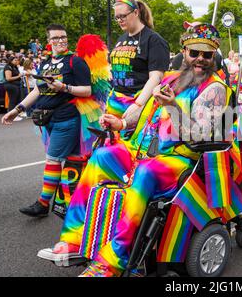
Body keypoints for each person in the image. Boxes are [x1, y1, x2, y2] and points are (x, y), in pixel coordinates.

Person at [37, 23, 231, 277]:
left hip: (176, 158)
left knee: (146, 173)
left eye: (207, 55)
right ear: (184, 51)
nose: (200, 60)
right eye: (194, 53)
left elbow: (200, 135)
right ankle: (74, 239)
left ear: (214, 56)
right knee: (100, 157)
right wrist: (122, 123)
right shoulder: (171, 78)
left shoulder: (215, 88)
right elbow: (144, 109)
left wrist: (173, 106)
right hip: (139, 149)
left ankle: (114, 261)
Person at [1, 24, 92, 217]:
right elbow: (37, 90)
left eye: (63, 37)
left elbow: (87, 90)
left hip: (66, 119)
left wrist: (64, 87)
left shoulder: (75, 61)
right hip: (47, 120)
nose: (60, 41)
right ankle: (72, 201)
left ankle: (43, 204)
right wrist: (17, 110)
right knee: (69, 159)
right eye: (56, 38)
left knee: (52, 160)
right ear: (48, 42)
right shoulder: (45, 63)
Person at [107, 0, 169, 148]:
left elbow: (156, 77)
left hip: (140, 105)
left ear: (135, 13)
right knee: (112, 149)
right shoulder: (121, 38)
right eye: (117, 17)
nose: (120, 20)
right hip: (117, 102)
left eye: (123, 16)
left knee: (133, 151)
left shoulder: (154, 40)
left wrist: (138, 103)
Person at [3, 56, 25, 120]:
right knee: (13, 100)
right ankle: (11, 116)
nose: (16, 61)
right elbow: (8, 78)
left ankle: (15, 115)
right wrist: (19, 76)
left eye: (17, 60)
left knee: (16, 100)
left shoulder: (14, 67)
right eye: (15, 60)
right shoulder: (8, 67)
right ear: (11, 60)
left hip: (16, 85)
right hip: (11, 86)